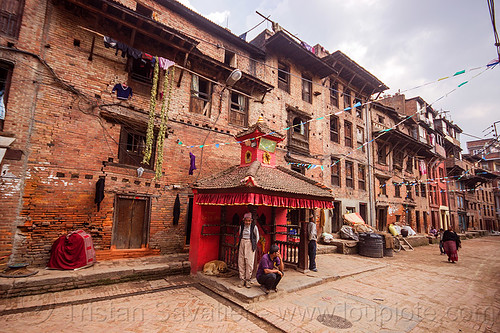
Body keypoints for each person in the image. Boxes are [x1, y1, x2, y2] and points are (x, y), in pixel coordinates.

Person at [237, 212, 259, 288]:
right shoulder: (242, 226)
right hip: (242, 242)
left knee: (249, 262)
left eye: (249, 221)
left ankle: (248, 280)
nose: (247, 222)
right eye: (246, 221)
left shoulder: (254, 227)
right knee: (241, 261)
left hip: (250, 243)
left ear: (251, 221)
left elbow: (257, 237)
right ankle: (242, 279)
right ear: (244, 220)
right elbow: (240, 234)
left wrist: (253, 245)